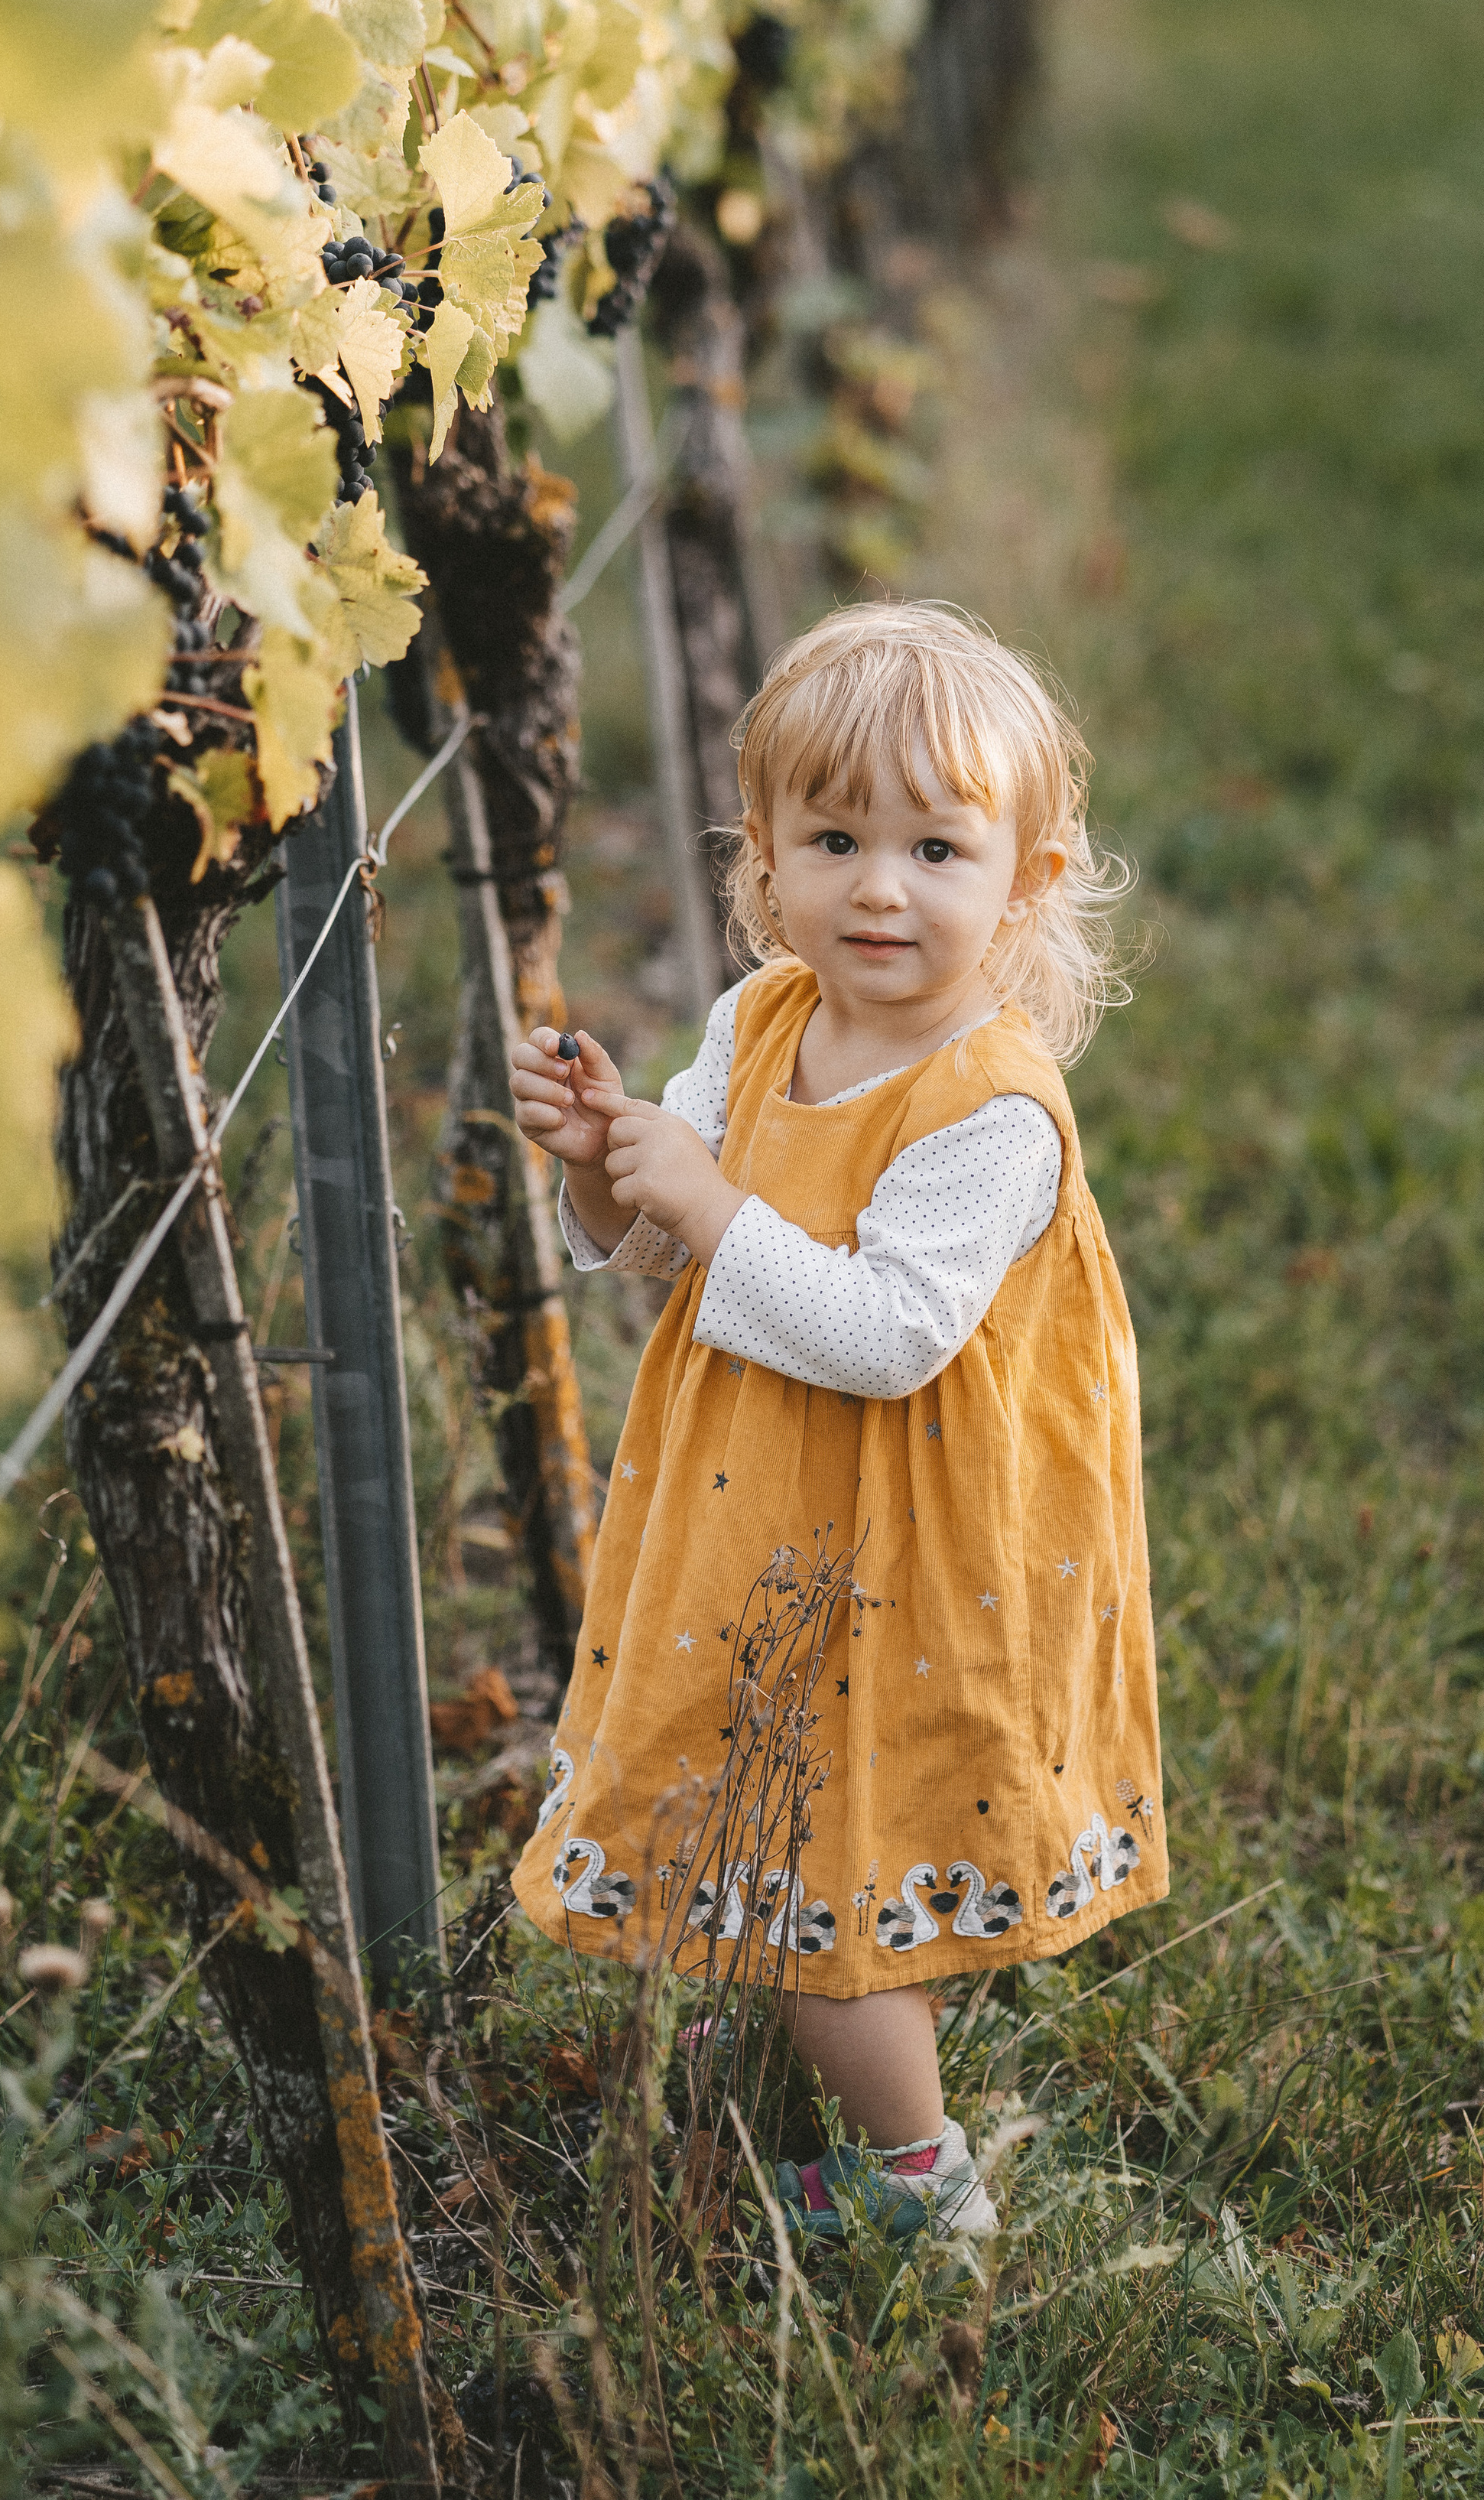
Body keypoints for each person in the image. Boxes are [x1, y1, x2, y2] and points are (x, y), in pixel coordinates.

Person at [507, 601, 1167, 2242]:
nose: (878, 885)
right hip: (760, 1514)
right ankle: (879, 2135)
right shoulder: (763, 1024)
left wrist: (714, 1203)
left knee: (834, 1885)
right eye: (832, 838)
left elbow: (883, 1338)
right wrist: (606, 1160)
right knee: (779, 1820)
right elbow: (654, 1240)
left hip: (907, 1542)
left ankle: (919, 2195)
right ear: (764, 859)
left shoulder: (988, 1110)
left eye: (935, 847)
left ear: (1022, 879)